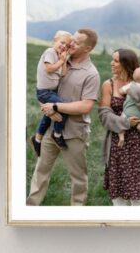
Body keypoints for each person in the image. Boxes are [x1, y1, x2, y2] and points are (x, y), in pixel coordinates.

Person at [26, 28, 101, 207]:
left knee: (78, 178)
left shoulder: (91, 73)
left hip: (75, 133)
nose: (70, 44)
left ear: (87, 48)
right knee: (40, 171)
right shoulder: (59, 59)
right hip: (51, 128)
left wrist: (55, 106)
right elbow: (44, 89)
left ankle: (76, 215)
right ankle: (30, 208)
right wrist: (48, 109)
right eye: (71, 40)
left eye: (76, 42)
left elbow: (86, 106)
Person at [99, 48, 140, 206]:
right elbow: (104, 116)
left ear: (126, 64)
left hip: (139, 145)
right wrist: (126, 123)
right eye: (112, 59)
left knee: (138, 202)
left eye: (115, 61)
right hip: (117, 146)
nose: (112, 63)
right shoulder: (108, 85)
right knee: (119, 202)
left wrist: (138, 93)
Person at [32, 30, 74, 154]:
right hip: (45, 92)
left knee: (48, 116)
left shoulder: (58, 56)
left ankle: (37, 139)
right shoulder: (50, 52)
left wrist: (64, 60)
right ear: (54, 41)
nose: (64, 46)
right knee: (63, 107)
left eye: (67, 45)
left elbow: (63, 74)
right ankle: (57, 134)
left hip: (50, 92)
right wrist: (61, 61)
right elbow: (49, 69)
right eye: (62, 42)